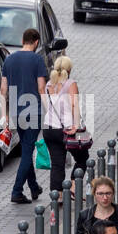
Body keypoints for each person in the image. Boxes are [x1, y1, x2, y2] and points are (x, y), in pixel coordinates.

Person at [1, 28, 48, 204]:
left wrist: (4, 114)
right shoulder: (37, 59)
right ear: (36, 42)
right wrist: (50, 111)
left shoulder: (9, 59)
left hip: (15, 111)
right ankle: (17, 191)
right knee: (28, 151)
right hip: (33, 111)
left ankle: (34, 187)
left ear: (23, 40)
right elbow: (41, 88)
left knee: (26, 149)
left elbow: (3, 90)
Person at [41, 55, 87, 193]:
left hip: (49, 128)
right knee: (83, 158)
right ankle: (73, 187)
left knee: (57, 163)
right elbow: (74, 105)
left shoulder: (49, 84)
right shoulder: (70, 83)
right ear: (69, 69)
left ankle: (57, 195)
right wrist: (76, 126)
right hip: (67, 128)